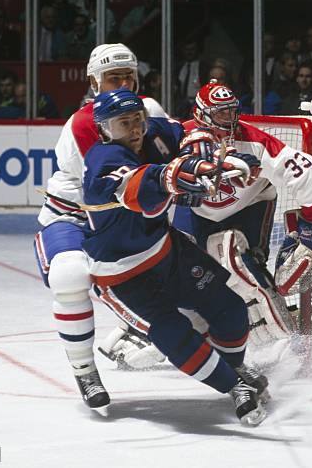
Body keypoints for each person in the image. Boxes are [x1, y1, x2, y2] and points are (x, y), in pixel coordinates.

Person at [105, 80, 312, 368]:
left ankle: (282, 332)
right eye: (220, 113)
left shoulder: (255, 141)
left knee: (240, 265)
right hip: (197, 215)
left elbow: (306, 173)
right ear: (201, 113)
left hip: (250, 207)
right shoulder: (179, 138)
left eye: (232, 112)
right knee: (190, 280)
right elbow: (142, 160)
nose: (229, 120)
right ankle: (155, 329)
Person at [83, 88, 268, 426]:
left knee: (229, 307)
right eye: (123, 123)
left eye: (136, 120)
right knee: (173, 333)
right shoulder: (101, 161)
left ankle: (234, 367)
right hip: (122, 275)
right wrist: (176, 175)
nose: (134, 129)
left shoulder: (153, 132)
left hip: (167, 252)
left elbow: (184, 129)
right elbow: (140, 189)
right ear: (104, 129)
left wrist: (202, 145)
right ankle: (233, 386)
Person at [33, 43, 169, 410]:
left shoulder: (150, 109)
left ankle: (138, 326)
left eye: (129, 76)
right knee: (70, 275)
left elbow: (173, 152)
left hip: (122, 211)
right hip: (73, 215)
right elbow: (104, 190)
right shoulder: (82, 123)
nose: (123, 82)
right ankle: (85, 370)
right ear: (95, 81)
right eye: (114, 77)